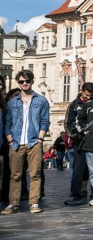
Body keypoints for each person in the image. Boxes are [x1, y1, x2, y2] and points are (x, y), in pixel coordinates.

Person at [3, 70, 51, 214]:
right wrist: (10, 140)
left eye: (27, 81)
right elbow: (8, 122)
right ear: (18, 82)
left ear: (32, 81)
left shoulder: (41, 100)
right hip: (16, 142)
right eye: (21, 81)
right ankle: (13, 203)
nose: (24, 84)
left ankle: (34, 203)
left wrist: (40, 139)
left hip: (33, 142)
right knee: (15, 175)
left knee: (35, 174)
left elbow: (44, 121)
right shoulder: (12, 102)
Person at [64, 82, 93, 205]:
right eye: (86, 95)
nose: (88, 97)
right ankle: (75, 194)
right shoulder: (74, 104)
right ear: (81, 91)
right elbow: (67, 123)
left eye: (90, 95)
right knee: (78, 169)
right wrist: (72, 135)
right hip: (79, 140)